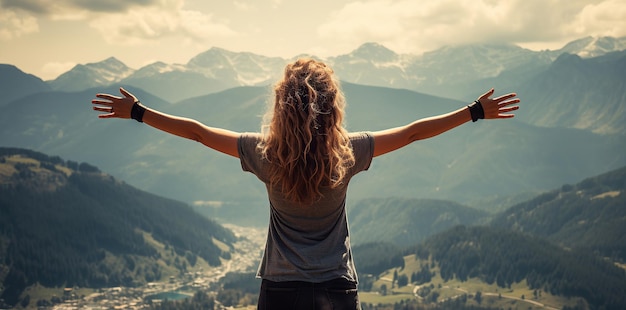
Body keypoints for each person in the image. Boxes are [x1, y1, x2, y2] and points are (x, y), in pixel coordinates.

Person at [92, 58, 519, 310]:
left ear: (281, 108)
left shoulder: (264, 153)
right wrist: (474, 112)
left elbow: (198, 132)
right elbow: (412, 132)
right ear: (333, 108)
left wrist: (138, 112)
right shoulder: (348, 153)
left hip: (281, 290)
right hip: (337, 287)